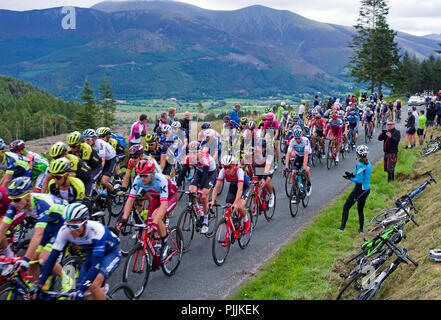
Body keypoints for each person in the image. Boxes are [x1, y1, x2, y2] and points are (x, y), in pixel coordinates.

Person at [33, 202, 121, 300]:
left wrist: (82, 289)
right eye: (68, 225)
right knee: (79, 291)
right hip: (92, 253)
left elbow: (95, 266)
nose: (70, 230)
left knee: (93, 285)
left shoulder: (96, 231)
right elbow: (51, 259)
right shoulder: (64, 231)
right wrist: (39, 284)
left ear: (85, 222)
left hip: (111, 253)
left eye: (75, 226)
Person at [0, 176, 73, 291]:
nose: (14, 203)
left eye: (17, 199)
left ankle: (67, 278)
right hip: (49, 223)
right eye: (11, 199)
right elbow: (3, 228)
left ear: (27, 196)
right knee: (34, 259)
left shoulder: (42, 204)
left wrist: (25, 259)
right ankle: (37, 288)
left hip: (63, 224)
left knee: (43, 257)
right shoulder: (15, 204)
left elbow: (38, 235)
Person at [116, 159, 178, 261]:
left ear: (153, 174)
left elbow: (163, 205)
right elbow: (130, 200)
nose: (142, 178)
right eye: (140, 175)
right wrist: (124, 219)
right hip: (156, 198)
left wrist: (155, 223)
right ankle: (156, 248)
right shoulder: (138, 180)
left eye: (145, 175)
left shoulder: (161, 180)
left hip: (170, 198)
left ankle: (164, 244)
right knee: (148, 224)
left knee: (155, 218)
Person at [176, 141, 217, 234]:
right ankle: (198, 211)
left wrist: (200, 189)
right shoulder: (188, 158)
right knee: (191, 191)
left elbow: (205, 175)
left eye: (195, 152)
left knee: (203, 195)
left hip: (210, 173)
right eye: (191, 152)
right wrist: (176, 186)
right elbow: (182, 173)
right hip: (199, 172)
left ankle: (205, 221)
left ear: (199, 151)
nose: (193, 155)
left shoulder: (204, 157)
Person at [209, 155, 251, 235]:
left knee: (239, 206)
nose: (227, 169)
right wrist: (212, 201)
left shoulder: (239, 172)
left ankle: (246, 220)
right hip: (233, 187)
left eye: (229, 167)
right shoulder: (222, 171)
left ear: (234, 166)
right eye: (225, 167)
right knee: (227, 209)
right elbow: (216, 187)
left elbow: (240, 190)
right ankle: (230, 233)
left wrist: (235, 204)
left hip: (244, 187)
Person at [338, 146, 372, 233]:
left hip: (359, 190)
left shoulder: (360, 165)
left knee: (346, 207)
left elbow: (359, 180)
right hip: (367, 189)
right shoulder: (368, 163)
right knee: (360, 209)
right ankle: (361, 230)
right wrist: (352, 175)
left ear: (359, 155)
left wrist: (350, 178)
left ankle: (342, 227)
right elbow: (362, 176)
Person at [283, 126, 312, 197]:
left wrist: (304, 167)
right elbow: (288, 154)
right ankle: (295, 190)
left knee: (307, 170)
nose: (297, 140)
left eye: (299, 138)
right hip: (298, 156)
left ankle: (308, 183)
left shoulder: (305, 141)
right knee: (293, 173)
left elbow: (305, 155)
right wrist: (286, 166)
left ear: (301, 136)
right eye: (296, 138)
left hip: (307, 155)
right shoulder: (292, 141)